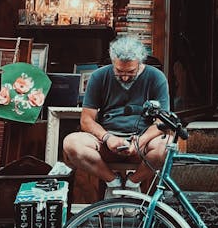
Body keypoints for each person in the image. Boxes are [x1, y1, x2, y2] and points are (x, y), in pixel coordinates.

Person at [62, 34, 171, 195]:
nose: (125, 77)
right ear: (113, 61)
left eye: (131, 72)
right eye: (119, 71)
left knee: (167, 146)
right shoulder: (99, 76)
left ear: (140, 62)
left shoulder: (156, 77)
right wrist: (108, 138)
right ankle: (113, 182)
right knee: (71, 143)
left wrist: (140, 141)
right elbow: (86, 120)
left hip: (142, 143)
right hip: (106, 142)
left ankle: (133, 184)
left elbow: (162, 122)